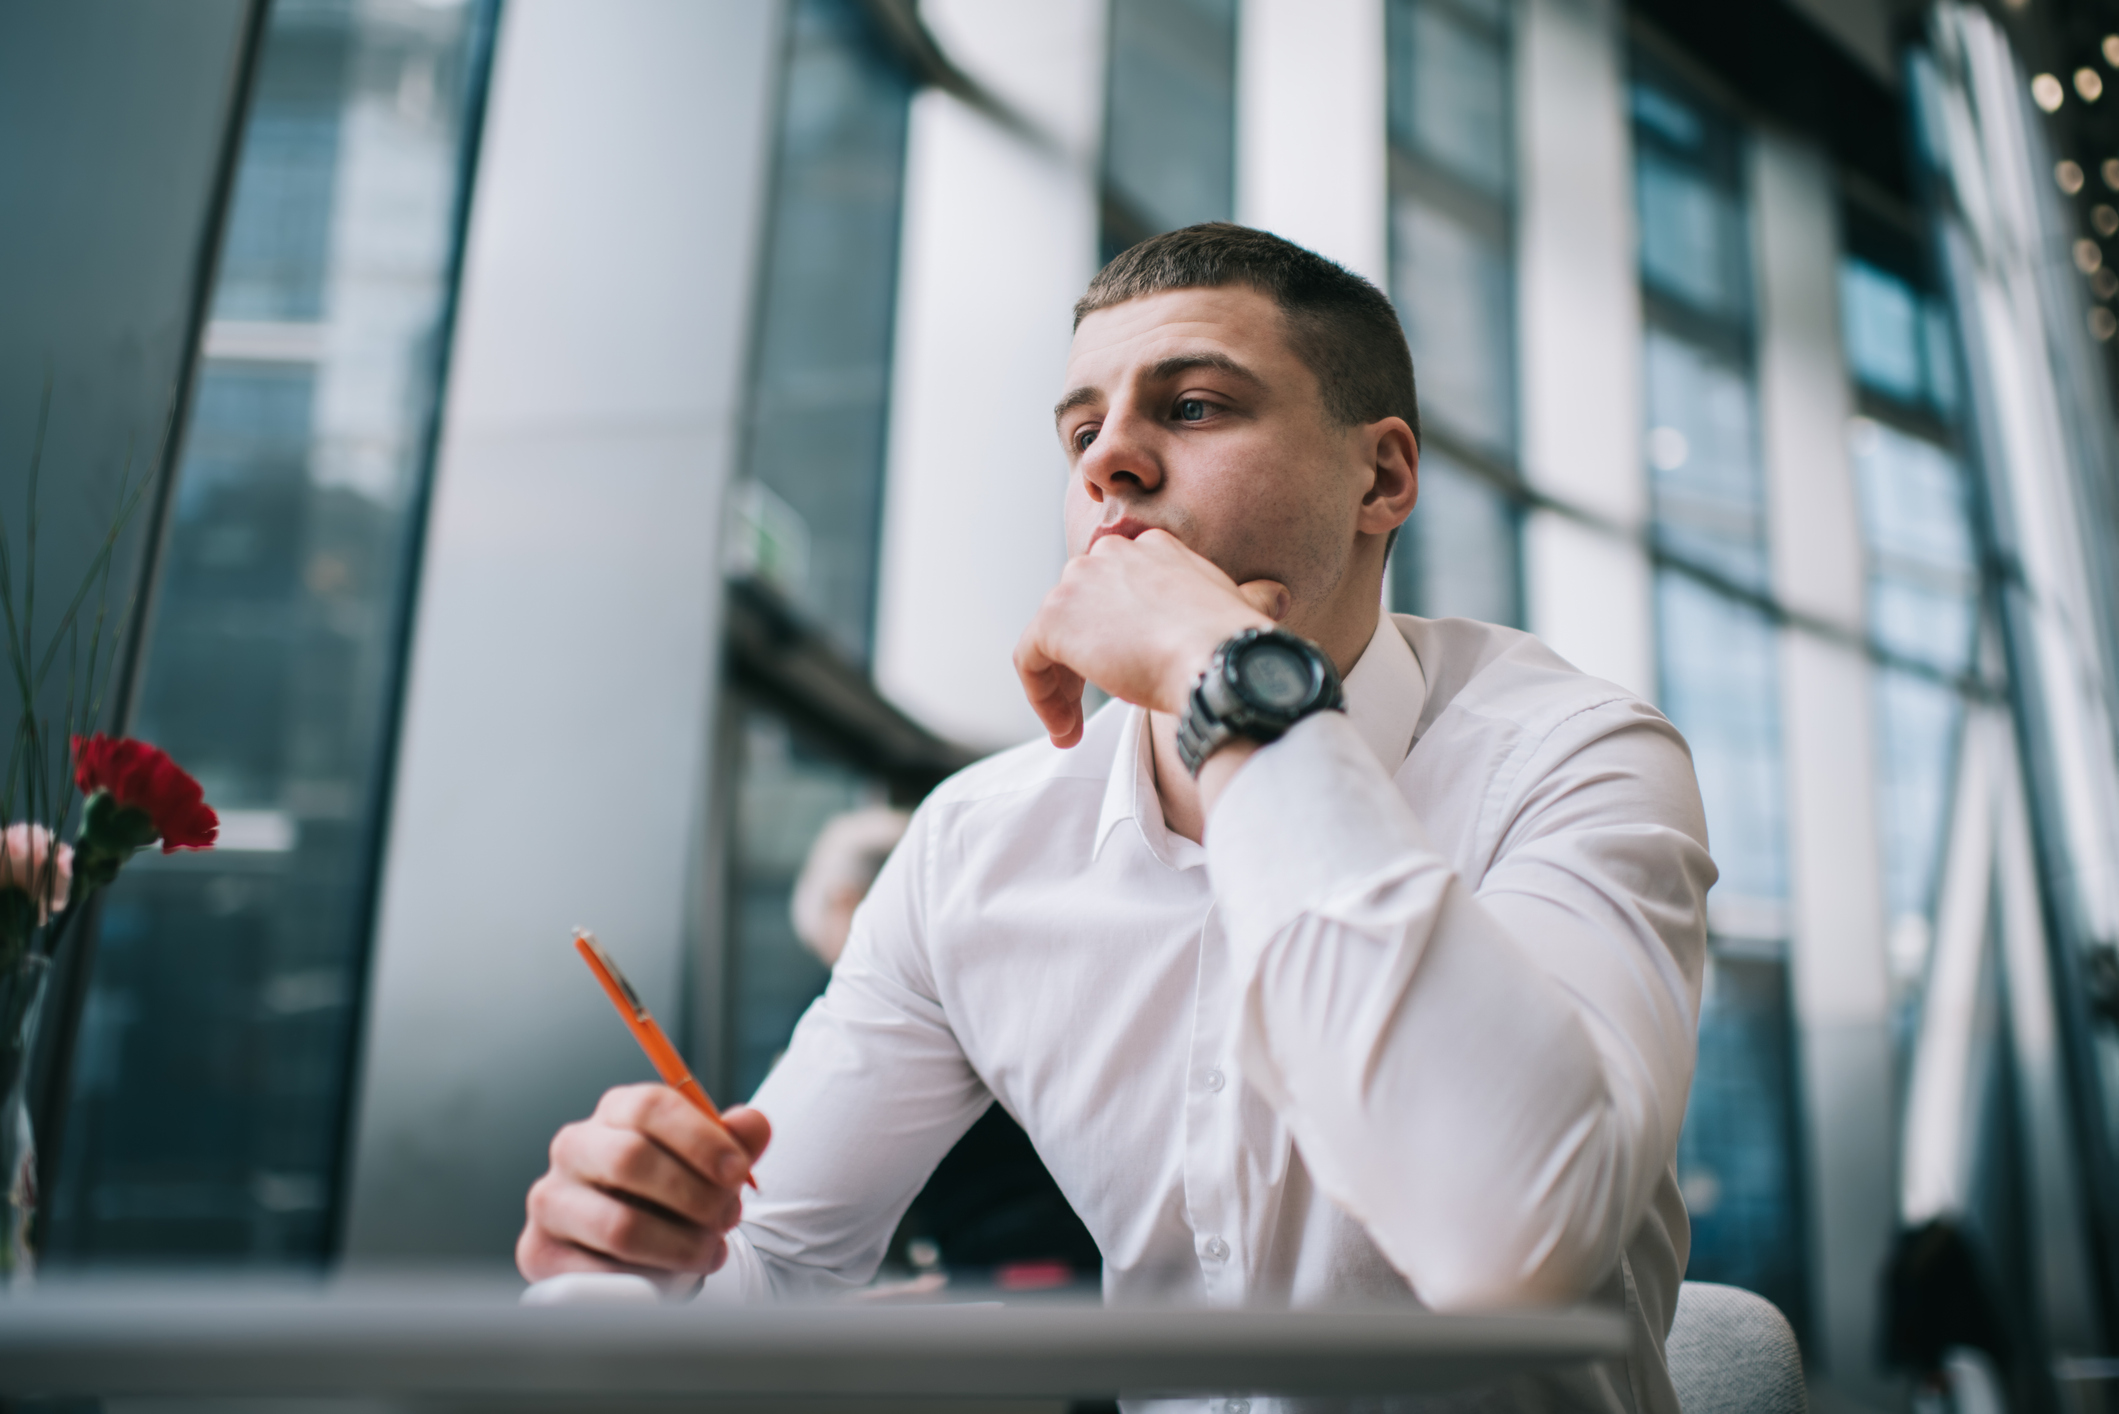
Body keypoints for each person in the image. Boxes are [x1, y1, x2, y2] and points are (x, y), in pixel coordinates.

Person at [517, 223, 1715, 1413]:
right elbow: (774, 1269)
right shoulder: (973, 845)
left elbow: (1514, 1243)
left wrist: (1219, 667)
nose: (1112, 464)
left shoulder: (1575, 759)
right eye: (1082, 431)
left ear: (1382, 477)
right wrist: (648, 1257)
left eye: (1193, 407)